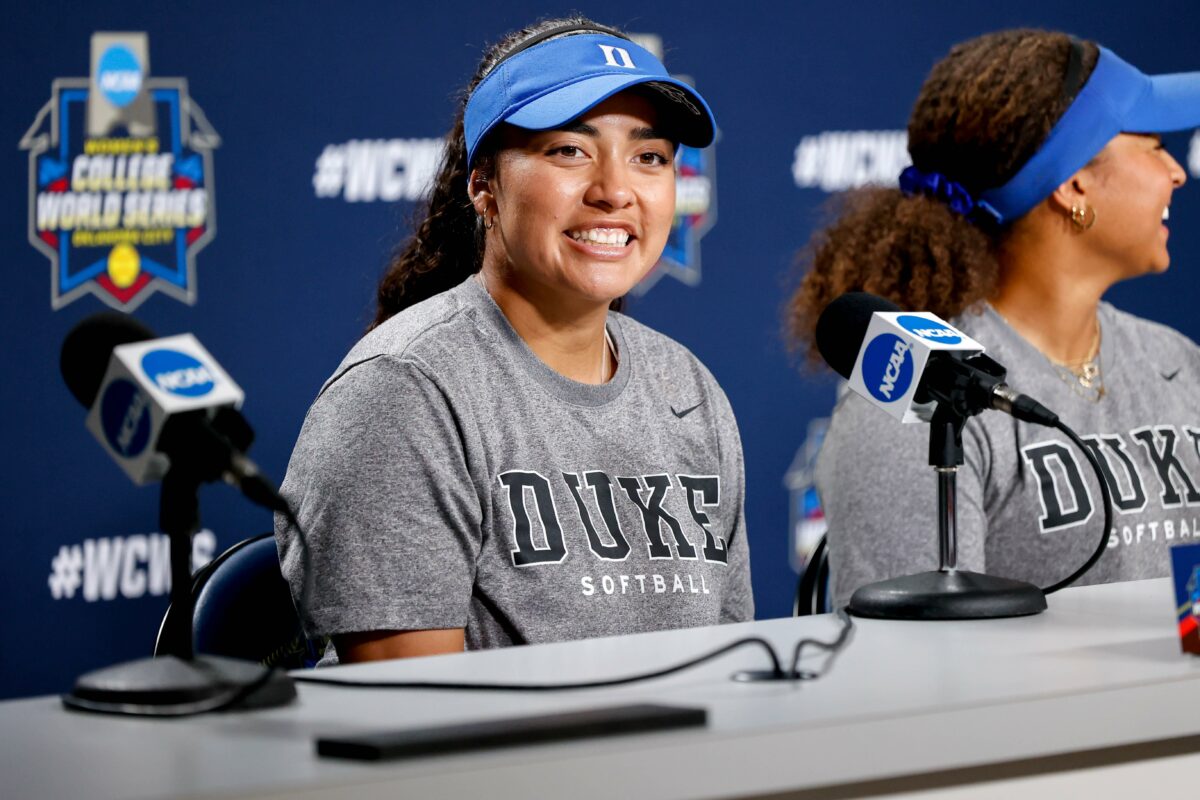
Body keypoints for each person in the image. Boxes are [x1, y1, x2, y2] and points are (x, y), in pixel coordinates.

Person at [276, 17, 752, 664]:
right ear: (484, 188)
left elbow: (728, 674)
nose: (615, 191)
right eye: (568, 151)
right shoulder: (404, 396)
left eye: (649, 158)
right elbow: (415, 730)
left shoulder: (689, 391)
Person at [788, 30, 1200, 607]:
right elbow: (913, 672)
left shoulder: (1176, 361)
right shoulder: (925, 400)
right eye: (1153, 144)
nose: (1176, 173)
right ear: (1074, 182)